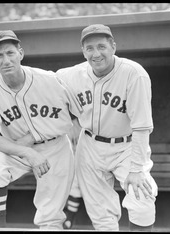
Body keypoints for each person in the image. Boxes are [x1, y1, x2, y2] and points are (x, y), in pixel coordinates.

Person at [0, 30, 83, 229]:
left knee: (50, 216)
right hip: (18, 148)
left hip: (56, 146)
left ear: (21, 53)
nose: (6, 60)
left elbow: (79, 109)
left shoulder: (49, 79)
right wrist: (28, 152)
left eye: (10, 53)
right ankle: (0, 228)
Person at [56, 24, 158, 231]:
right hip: (90, 146)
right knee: (101, 214)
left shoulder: (134, 74)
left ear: (113, 46)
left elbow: (141, 127)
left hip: (126, 146)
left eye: (102, 46)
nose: (96, 54)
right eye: (90, 48)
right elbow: (39, 80)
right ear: (83, 52)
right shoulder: (71, 75)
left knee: (142, 197)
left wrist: (137, 169)